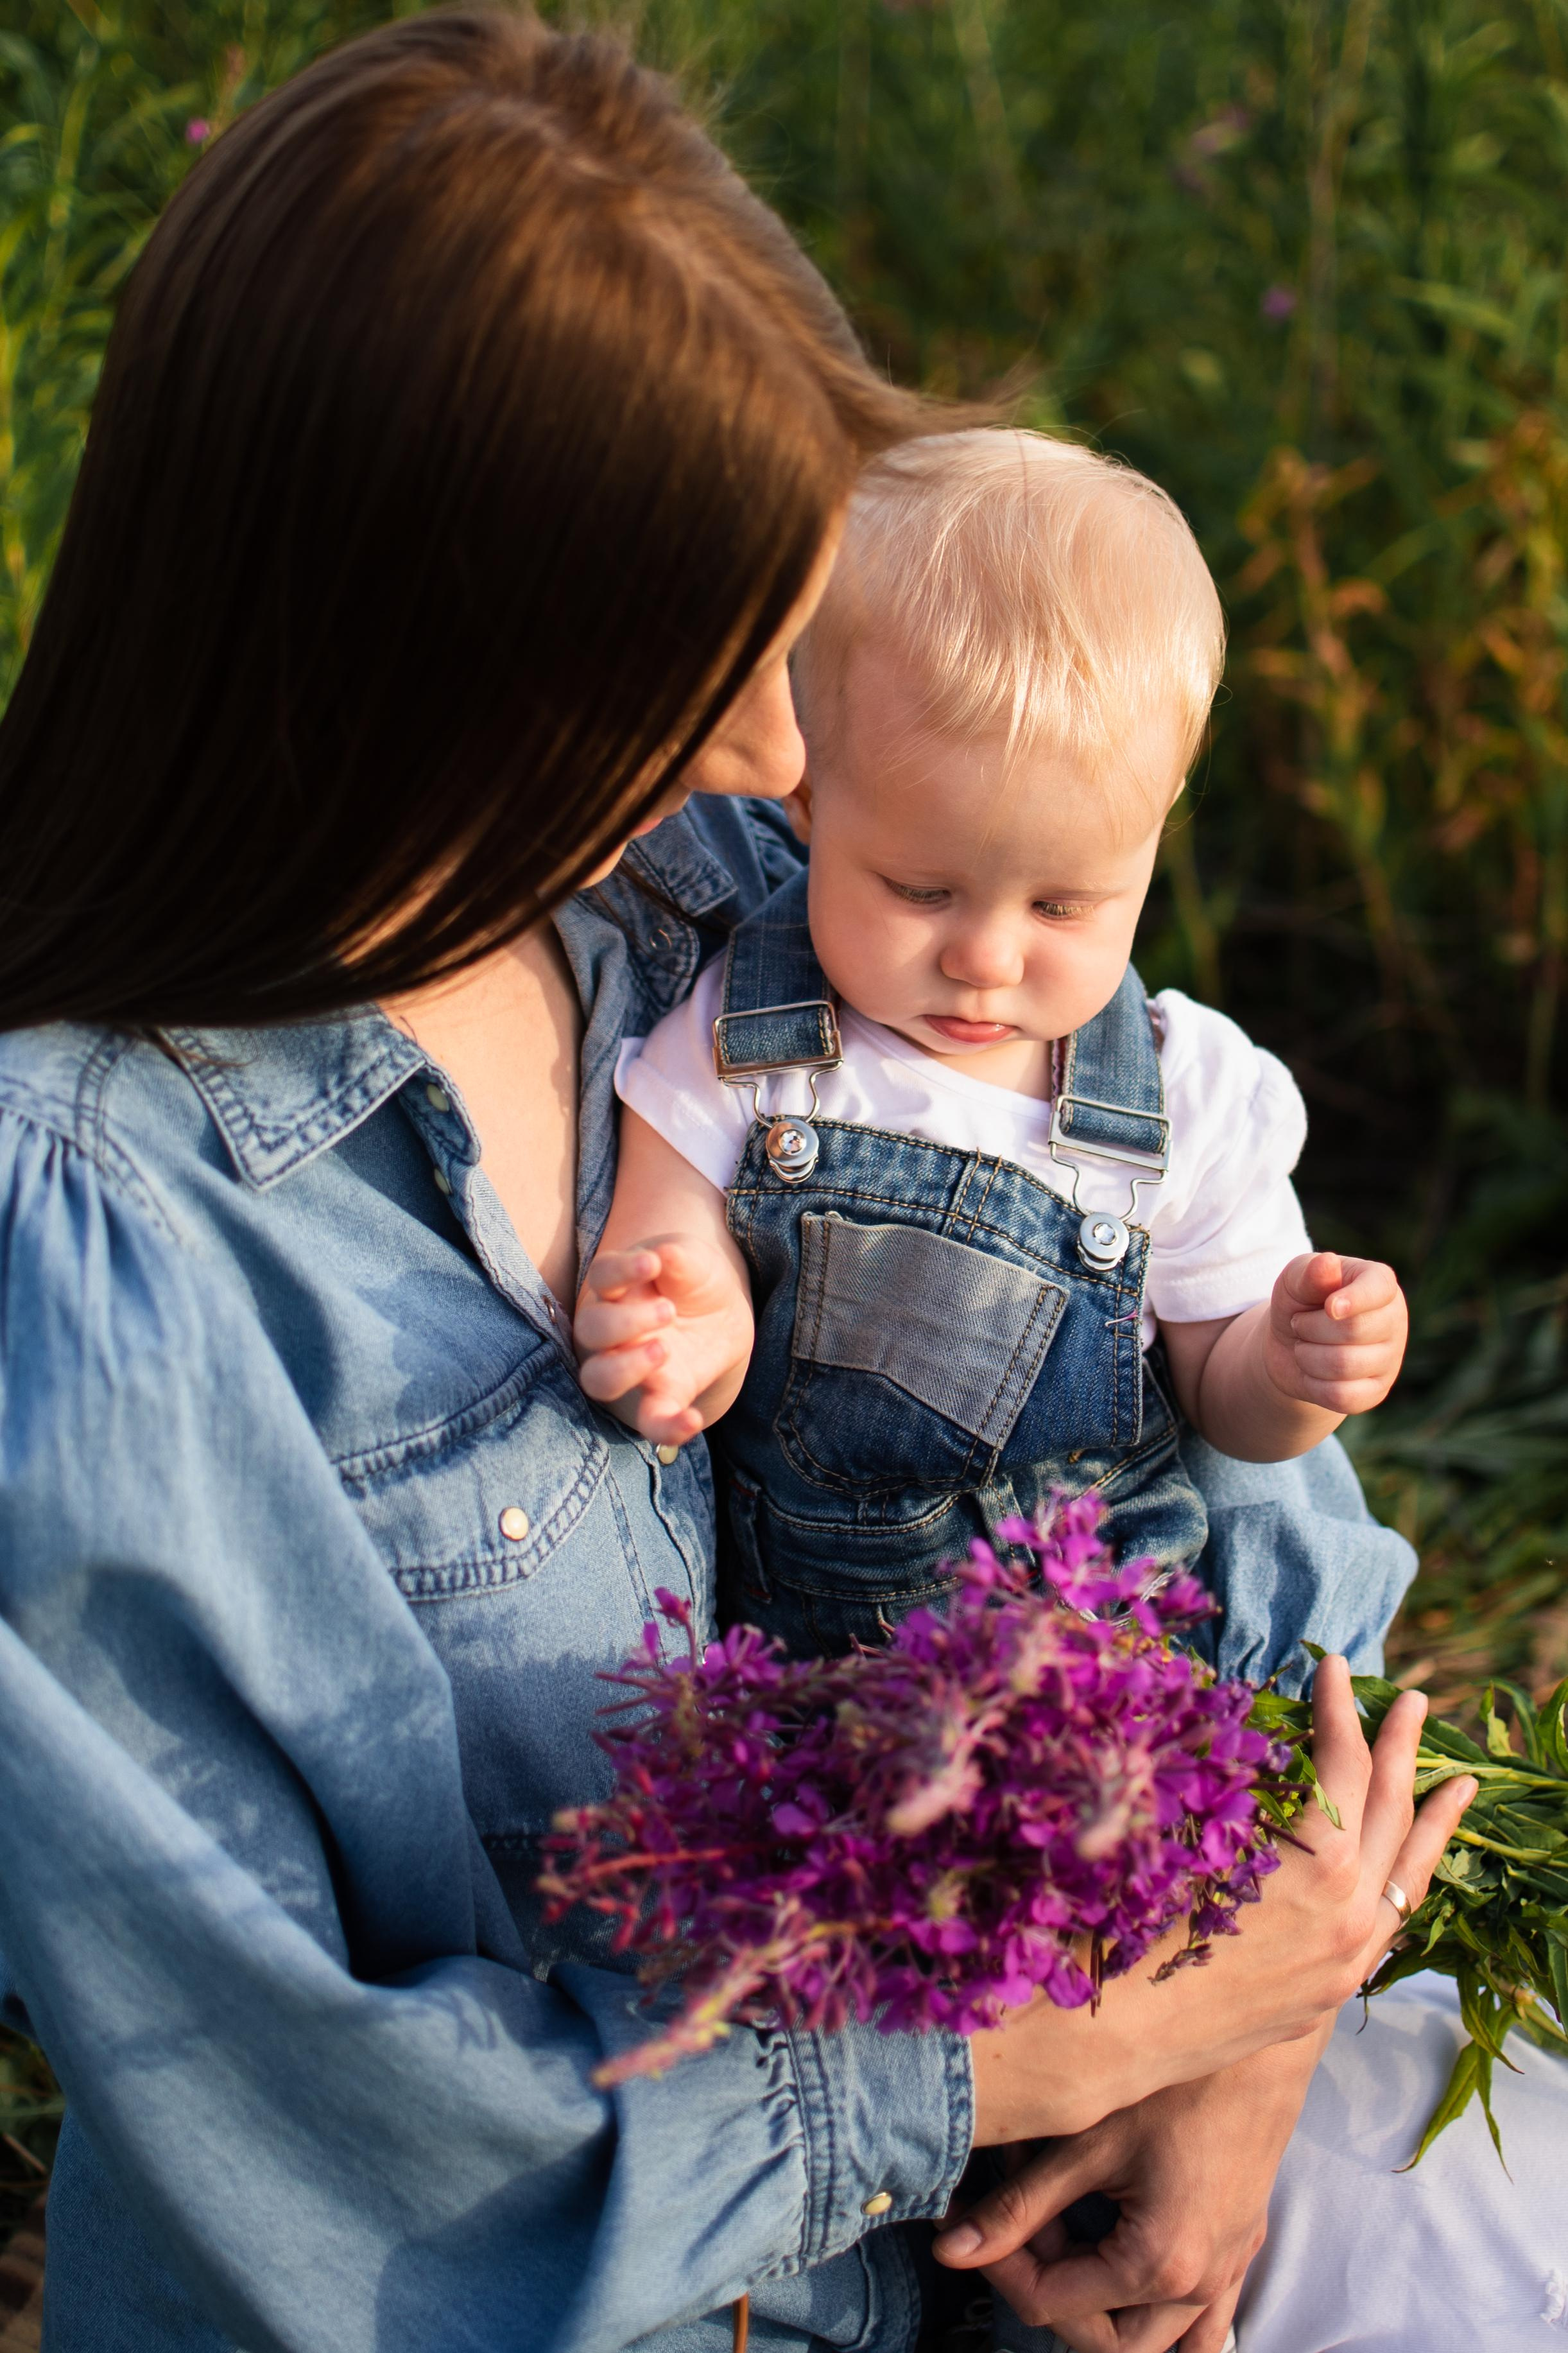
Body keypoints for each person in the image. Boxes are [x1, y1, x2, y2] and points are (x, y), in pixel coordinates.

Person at [0, 13, 1527, 2353]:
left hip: (1058, 2177)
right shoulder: (106, 1231)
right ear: (429, 658)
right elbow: (301, 2136)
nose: (792, 749)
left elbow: (1208, 1474)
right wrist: (1029, 2058)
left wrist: (1247, 2034)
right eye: (703, 653)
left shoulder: (734, 891)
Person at [579, 430, 1411, 1678]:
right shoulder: (749, 1041)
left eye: (1062, 906)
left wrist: (1295, 1368)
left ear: (1154, 831)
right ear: (806, 801)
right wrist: (686, 1319)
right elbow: (668, 1230)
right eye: (919, 889)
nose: (984, 957)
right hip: (834, 1680)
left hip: (1121, 1675)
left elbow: (1222, 1401)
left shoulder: (1189, 1094)